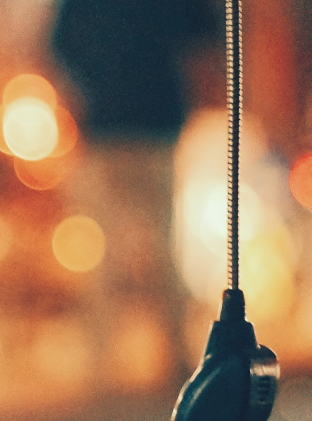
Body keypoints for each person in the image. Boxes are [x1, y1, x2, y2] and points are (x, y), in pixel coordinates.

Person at [51, 0, 223, 392]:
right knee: (163, 242)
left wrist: (78, 97)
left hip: (104, 126)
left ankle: (101, 362)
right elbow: (202, 38)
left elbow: (58, 46)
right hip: (157, 121)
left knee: (105, 248)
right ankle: (175, 353)